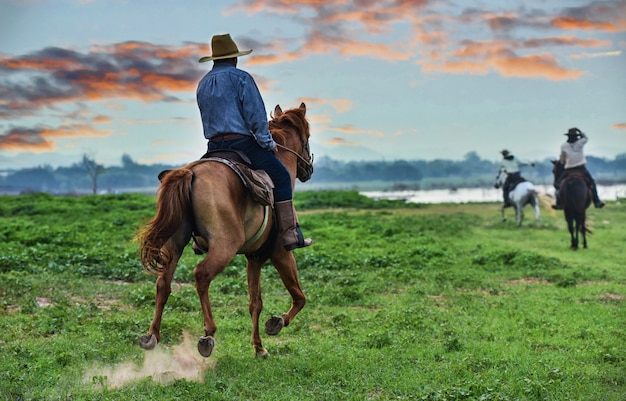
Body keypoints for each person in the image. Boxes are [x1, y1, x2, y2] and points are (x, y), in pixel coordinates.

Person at [196, 33, 312, 250]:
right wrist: (268, 143)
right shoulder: (241, 78)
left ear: (214, 60)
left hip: (213, 148)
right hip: (242, 144)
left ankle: (200, 238)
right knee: (282, 176)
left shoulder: (203, 83)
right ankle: (288, 234)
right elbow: (256, 117)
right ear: (234, 58)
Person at [552, 127, 605, 210]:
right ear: (576, 136)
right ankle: (597, 201)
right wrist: (580, 133)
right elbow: (586, 138)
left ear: (568, 136)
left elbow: (562, 159)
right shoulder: (580, 143)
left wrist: (563, 161)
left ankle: (558, 203)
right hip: (581, 169)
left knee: (558, 184)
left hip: (568, 170)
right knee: (592, 183)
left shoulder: (563, 146)